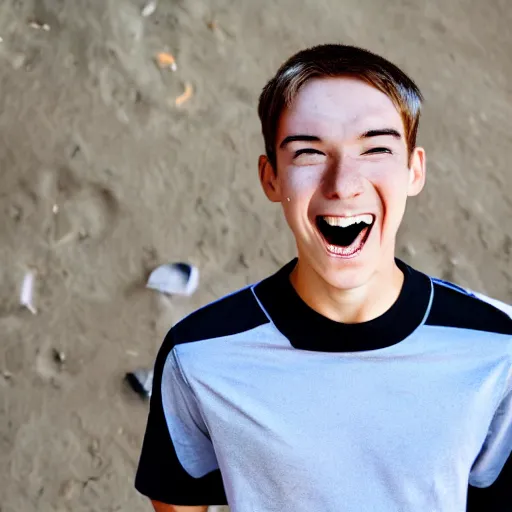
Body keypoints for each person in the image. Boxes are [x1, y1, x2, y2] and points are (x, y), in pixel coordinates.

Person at [134, 45, 512, 512]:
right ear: (270, 177)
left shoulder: (499, 348)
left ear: (414, 170)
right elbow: (177, 497)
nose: (343, 183)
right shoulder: (198, 356)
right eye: (309, 153)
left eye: (376, 148)